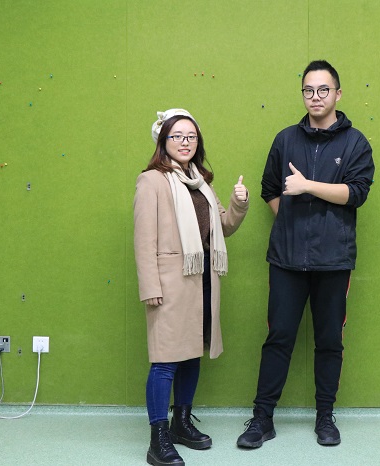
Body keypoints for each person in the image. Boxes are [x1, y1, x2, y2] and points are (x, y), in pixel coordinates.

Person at [237, 60, 375, 449]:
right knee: (278, 337)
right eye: (308, 90)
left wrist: (308, 186)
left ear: (338, 94)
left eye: (323, 90)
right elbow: (270, 189)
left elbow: (356, 193)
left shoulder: (355, 143)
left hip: (334, 260)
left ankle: (325, 417)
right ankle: (262, 419)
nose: (315, 97)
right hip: (286, 259)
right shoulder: (285, 139)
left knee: (329, 340)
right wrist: (290, 222)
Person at [134, 109, 249, 466]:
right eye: (177, 136)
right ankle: (158, 439)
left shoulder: (201, 183)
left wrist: (239, 202)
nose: (185, 142)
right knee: (165, 361)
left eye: (191, 137)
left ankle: (181, 424)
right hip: (170, 284)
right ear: (163, 140)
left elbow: (223, 227)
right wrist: (150, 286)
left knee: (191, 354)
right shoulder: (151, 181)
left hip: (203, 280)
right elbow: (143, 239)